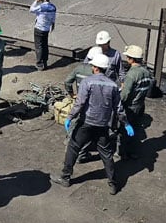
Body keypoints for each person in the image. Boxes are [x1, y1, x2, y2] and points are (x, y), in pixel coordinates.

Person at [52, 53, 133, 195]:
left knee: (73, 147)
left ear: (95, 68)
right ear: (106, 69)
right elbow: (118, 108)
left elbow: (80, 103)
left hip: (86, 123)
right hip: (103, 125)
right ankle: (113, 183)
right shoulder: (113, 86)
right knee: (106, 154)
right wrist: (126, 123)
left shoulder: (87, 82)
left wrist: (70, 117)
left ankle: (65, 177)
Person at [118, 45, 153, 160]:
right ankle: (133, 152)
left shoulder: (131, 74)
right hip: (140, 105)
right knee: (135, 130)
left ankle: (122, 153)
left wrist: (117, 103)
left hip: (130, 107)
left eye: (128, 57)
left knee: (124, 130)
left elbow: (125, 94)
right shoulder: (147, 73)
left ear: (131, 59)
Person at [29, 0, 57, 70]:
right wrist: (52, 26)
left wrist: (36, 1)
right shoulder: (53, 7)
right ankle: (45, 62)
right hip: (46, 28)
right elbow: (53, 19)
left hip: (39, 28)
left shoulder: (42, 7)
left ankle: (39, 64)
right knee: (45, 45)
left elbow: (31, 10)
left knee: (39, 46)